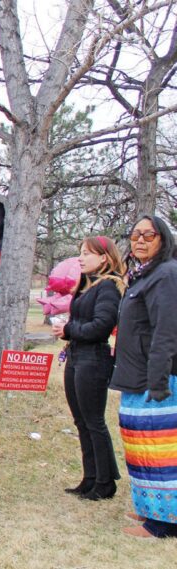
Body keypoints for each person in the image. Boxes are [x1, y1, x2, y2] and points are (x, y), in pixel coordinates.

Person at [111, 215, 177, 539]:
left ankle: (164, 523)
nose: (140, 240)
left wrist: (158, 381)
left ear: (163, 240)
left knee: (159, 450)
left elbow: (166, 332)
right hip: (136, 377)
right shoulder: (142, 275)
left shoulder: (166, 274)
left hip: (156, 381)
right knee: (140, 446)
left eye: (148, 235)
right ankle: (150, 508)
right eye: (135, 234)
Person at [50, 236, 123, 501]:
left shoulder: (109, 287)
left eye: (87, 253)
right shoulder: (87, 285)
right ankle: (90, 477)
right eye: (80, 253)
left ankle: (105, 482)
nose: (80, 258)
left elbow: (102, 326)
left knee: (94, 421)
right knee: (81, 421)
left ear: (104, 257)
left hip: (93, 358)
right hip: (77, 356)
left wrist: (69, 329)